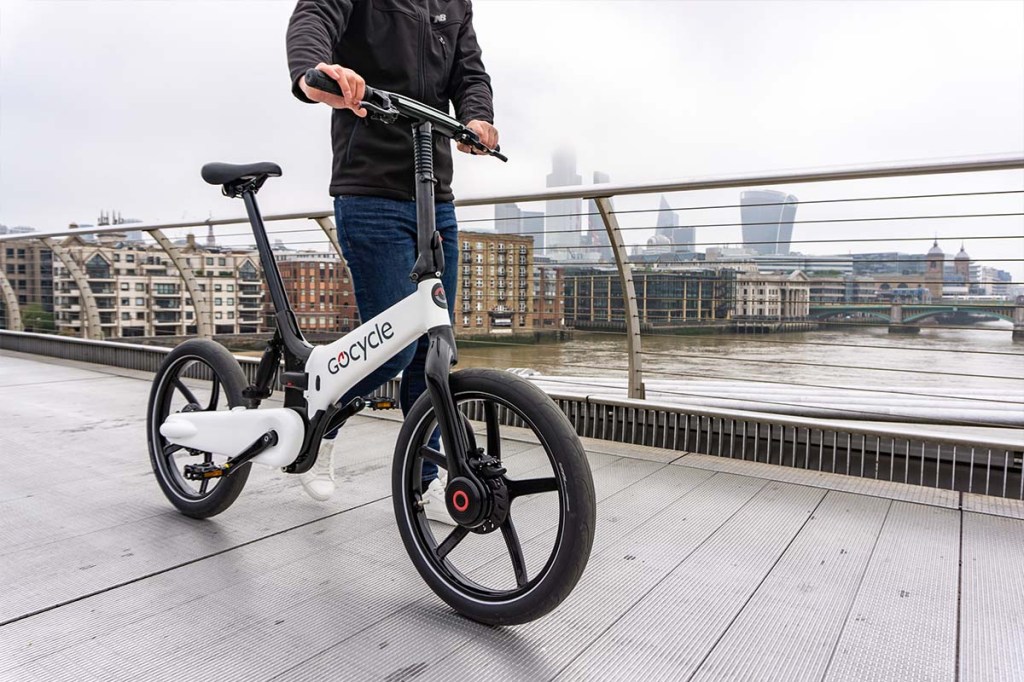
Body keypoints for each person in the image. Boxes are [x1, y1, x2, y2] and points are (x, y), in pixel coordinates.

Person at [286, 1, 498, 522]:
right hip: (370, 187)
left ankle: (425, 484)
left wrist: (477, 115)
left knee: (435, 348)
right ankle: (318, 421)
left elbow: (469, 69)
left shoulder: (454, 4)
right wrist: (317, 72)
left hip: (434, 193)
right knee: (393, 350)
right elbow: (314, 17)